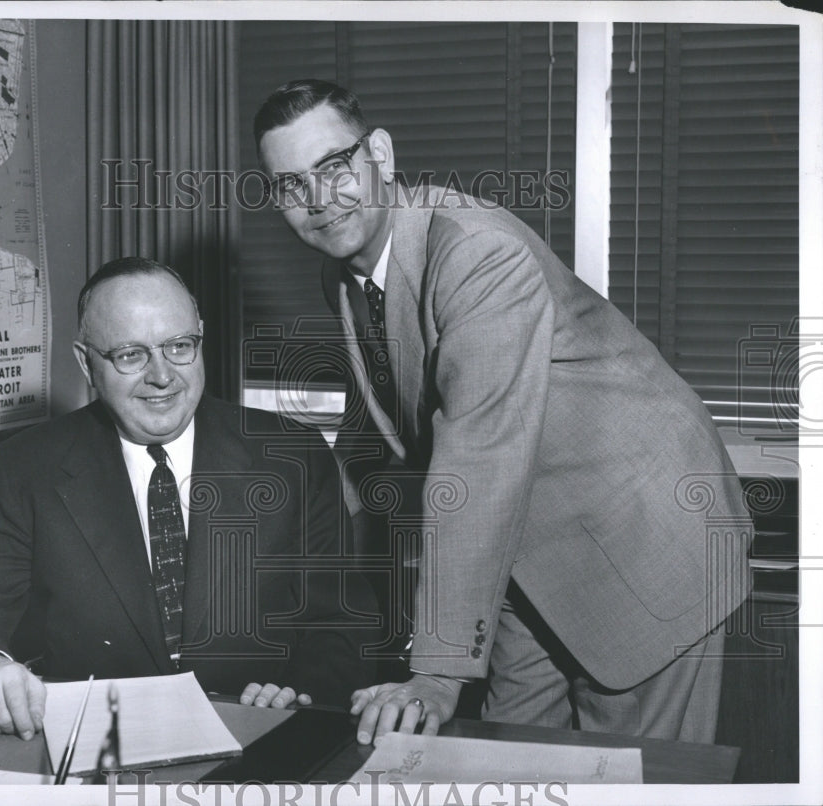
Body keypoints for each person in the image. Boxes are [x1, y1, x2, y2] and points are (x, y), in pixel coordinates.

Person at [254, 79, 752, 745]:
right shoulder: (342, 274)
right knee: (507, 753)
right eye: (291, 186)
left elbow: (479, 455)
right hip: (529, 548)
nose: (318, 201)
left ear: (380, 153)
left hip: (643, 531)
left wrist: (435, 674)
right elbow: (378, 424)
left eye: (334, 167)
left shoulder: (474, 250)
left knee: (628, 775)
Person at [0, 257, 378, 740]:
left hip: (256, 740)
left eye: (179, 346)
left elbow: (339, 621)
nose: (162, 376)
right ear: (86, 362)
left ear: (201, 339)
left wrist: (298, 695)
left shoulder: (291, 456)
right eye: (131, 355)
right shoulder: (30, 466)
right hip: (99, 755)